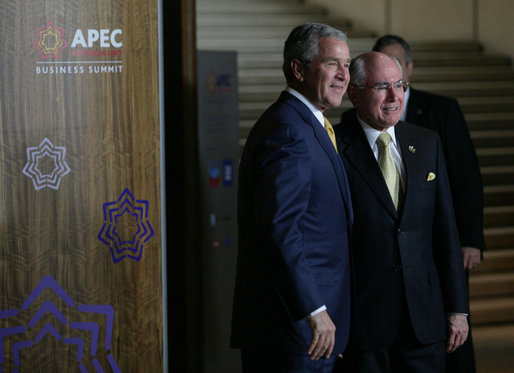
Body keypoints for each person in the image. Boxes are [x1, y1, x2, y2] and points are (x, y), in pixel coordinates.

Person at [341, 34, 485, 372]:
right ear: (354, 93)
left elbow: (445, 230)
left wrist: (457, 309)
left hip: (424, 321)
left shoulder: (426, 143)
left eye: (399, 85)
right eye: (381, 87)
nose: (395, 97)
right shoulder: (335, 148)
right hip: (366, 324)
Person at [230, 23, 353, 373]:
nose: (344, 75)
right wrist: (315, 311)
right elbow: (281, 228)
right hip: (295, 329)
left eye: (347, 64)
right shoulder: (288, 131)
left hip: (314, 330)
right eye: (332, 64)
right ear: (298, 69)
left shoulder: (308, 124)